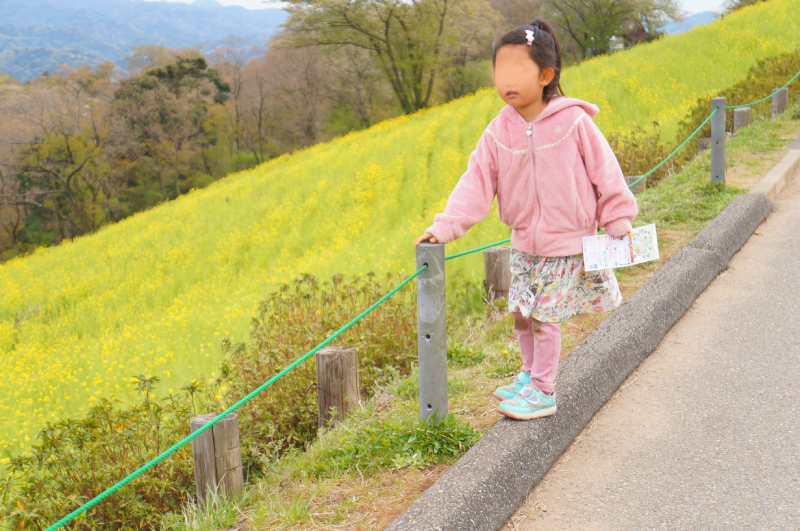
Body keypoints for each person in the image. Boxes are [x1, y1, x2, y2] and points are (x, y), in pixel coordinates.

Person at [414, 19, 638, 420]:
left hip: (565, 245)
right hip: (523, 243)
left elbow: (607, 172)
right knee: (521, 313)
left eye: (519, 71)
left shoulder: (574, 122)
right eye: (501, 70)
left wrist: (617, 219)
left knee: (543, 317)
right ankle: (529, 373)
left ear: (546, 75)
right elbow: (475, 182)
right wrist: (445, 225)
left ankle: (543, 391)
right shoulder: (499, 131)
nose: (507, 80)